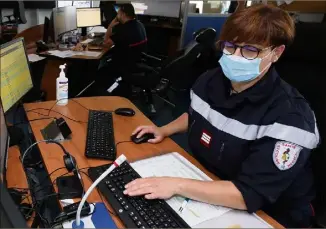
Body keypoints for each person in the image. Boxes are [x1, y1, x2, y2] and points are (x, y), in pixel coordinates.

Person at [124, 4, 320, 228]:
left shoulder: (290, 117)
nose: (235, 56)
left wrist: (176, 185)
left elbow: (248, 194)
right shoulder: (211, 79)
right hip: (214, 183)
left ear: (276, 53)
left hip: (270, 213)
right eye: (230, 46)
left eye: (250, 50)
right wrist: (164, 129)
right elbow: (197, 114)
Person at [94, 3, 147, 97]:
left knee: (101, 68)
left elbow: (106, 42)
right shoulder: (139, 25)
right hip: (135, 60)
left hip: (123, 64)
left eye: (118, 13)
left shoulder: (123, 30)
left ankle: (107, 92)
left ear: (123, 14)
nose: (117, 16)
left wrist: (110, 26)